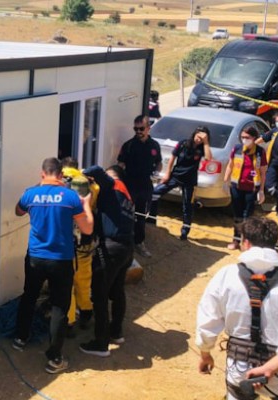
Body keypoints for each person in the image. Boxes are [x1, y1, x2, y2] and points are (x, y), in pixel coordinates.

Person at [196, 217, 278, 399]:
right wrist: (271, 367)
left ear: (245, 242)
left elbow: (207, 320)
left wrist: (205, 353)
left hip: (240, 371)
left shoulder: (225, 276)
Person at [12, 157, 93, 374]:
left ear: (42, 174)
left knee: (29, 295)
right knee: (59, 306)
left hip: (35, 257)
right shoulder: (71, 197)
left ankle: (20, 338)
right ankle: (54, 357)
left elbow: (18, 211)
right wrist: (86, 204)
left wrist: (36, 193)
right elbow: (87, 229)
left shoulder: (30, 193)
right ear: (61, 175)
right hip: (61, 260)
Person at [79, 165, 134, 357]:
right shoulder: (126, 195)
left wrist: (76, 173)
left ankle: (101, 344)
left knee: (99, 294)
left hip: (110, 248)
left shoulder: (114, 184)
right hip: (127, 247)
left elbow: (95, 170)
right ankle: (116, 332)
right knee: (117, 291)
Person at [149, 126, 212, 241]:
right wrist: (167, 174)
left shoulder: (202, 148)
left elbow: (208, 158)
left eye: (202, 139)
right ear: (194, 134)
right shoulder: (183, 143)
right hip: (175, 176)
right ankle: (151, 218)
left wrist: (206, 142)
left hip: (189, 181)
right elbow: (173, 157)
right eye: (198, 137)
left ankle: (184, 233)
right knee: (155, 193)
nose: (198, 140)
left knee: (187, 206)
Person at [60, 157, 98, 332]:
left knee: (66, 282)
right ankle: (86, 312)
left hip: (66, 239)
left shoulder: (59, 182)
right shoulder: (88, 183)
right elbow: (96, 193)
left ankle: (69, 322)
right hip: (85, 238)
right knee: (83, 278)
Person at [117, 115, 162, 258]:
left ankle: (139, 242)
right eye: (135, 129)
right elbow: (120, 164)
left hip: (146, 186)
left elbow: (159, 162)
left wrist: (157, 172)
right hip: (130, 185)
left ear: (148, 128)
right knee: (126, 213)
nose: (138, 132)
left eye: (141, 129)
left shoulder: (154, 145)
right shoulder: (129, 145)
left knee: (141, 215)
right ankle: (124, 242)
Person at [223, 127, 268, 250]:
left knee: (248, 216)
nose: (244, 140)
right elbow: (230, 166)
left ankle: (246, 241)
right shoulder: (237, 149)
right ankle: (236, 240)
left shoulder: (260, 152)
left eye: (247, 137)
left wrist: (261, 190)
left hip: (251, 189)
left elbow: (263, 172)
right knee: (237, 215)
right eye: (242, 137)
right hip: (236, 187)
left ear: (254, 138)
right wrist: (225, 181)